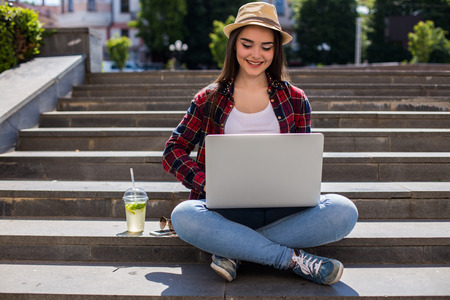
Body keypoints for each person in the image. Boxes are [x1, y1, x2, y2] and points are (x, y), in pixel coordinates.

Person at [162, 2, 358, 285]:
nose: (256, 54)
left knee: (344, 211)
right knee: (184, 216)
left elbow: (303, 161)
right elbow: (172, 151)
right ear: (234, 46)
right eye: (247, 44)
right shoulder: (209, 99)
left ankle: (236, 251)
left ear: (276, 50)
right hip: (226, 214)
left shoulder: (295, 99)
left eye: (266, 47)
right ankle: (291, 260)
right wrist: (207, 183)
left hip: (284, 213)